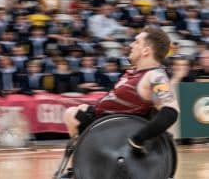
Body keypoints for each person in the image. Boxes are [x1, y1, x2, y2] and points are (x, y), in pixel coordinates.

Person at [63, 27, 179, 162]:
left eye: (136, 42)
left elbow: (170, 112)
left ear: (146, 50)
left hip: (113, 131)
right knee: (77, 111)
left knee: (71, 114)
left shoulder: (155, 75)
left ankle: (82, 166)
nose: (131, 45)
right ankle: (81, 165)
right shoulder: (134, 72)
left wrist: (138, 139)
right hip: (103, 121)